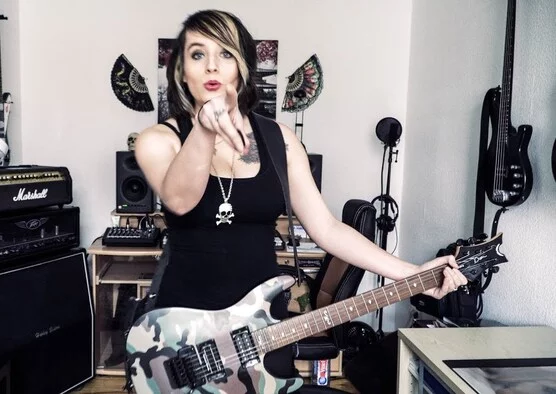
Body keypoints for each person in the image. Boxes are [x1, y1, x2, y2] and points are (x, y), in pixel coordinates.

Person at [134, 8, 468, 388]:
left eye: (225, 53)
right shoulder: (158, 141)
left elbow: (327, 228)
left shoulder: (281, 141)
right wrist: (205, 129)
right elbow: (180, 200)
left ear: (242, 66)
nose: (212, 66)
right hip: (182, 340)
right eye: (197, 54)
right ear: (181, 71)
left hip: (262, 331)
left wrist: (416, 275)